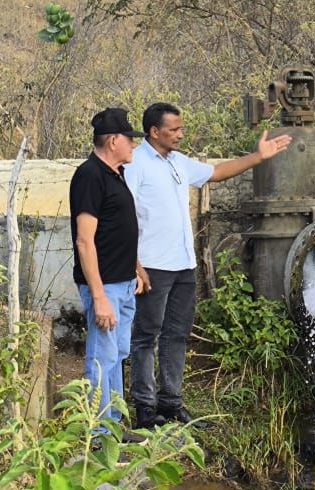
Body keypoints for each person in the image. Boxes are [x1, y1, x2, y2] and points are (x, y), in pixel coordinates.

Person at [125, 101, 292, 429]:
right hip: (152, 266)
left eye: (181, 128)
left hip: (183, 264)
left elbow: (215, 173)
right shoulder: (136, 163)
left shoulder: (176, 162)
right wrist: (135, 264)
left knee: (177, 334)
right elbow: (124, 216)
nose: (180, 135)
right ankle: (145, 408)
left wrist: (258, 156)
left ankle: (171, 402)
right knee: (147, 335)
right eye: (174, 130)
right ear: (154, 131)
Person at [69, 107, 147, 431]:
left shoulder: (116, 174)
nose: (134, 145)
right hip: (106, 288)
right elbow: (85, 242)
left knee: (117, 355)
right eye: (130, 139)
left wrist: (136, 269)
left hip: (124, 283)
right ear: (113, 140)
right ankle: (98, 435)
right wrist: (99, 297)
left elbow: (117, 229)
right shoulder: (89, 175)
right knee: (102, 359)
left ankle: (113, 426)